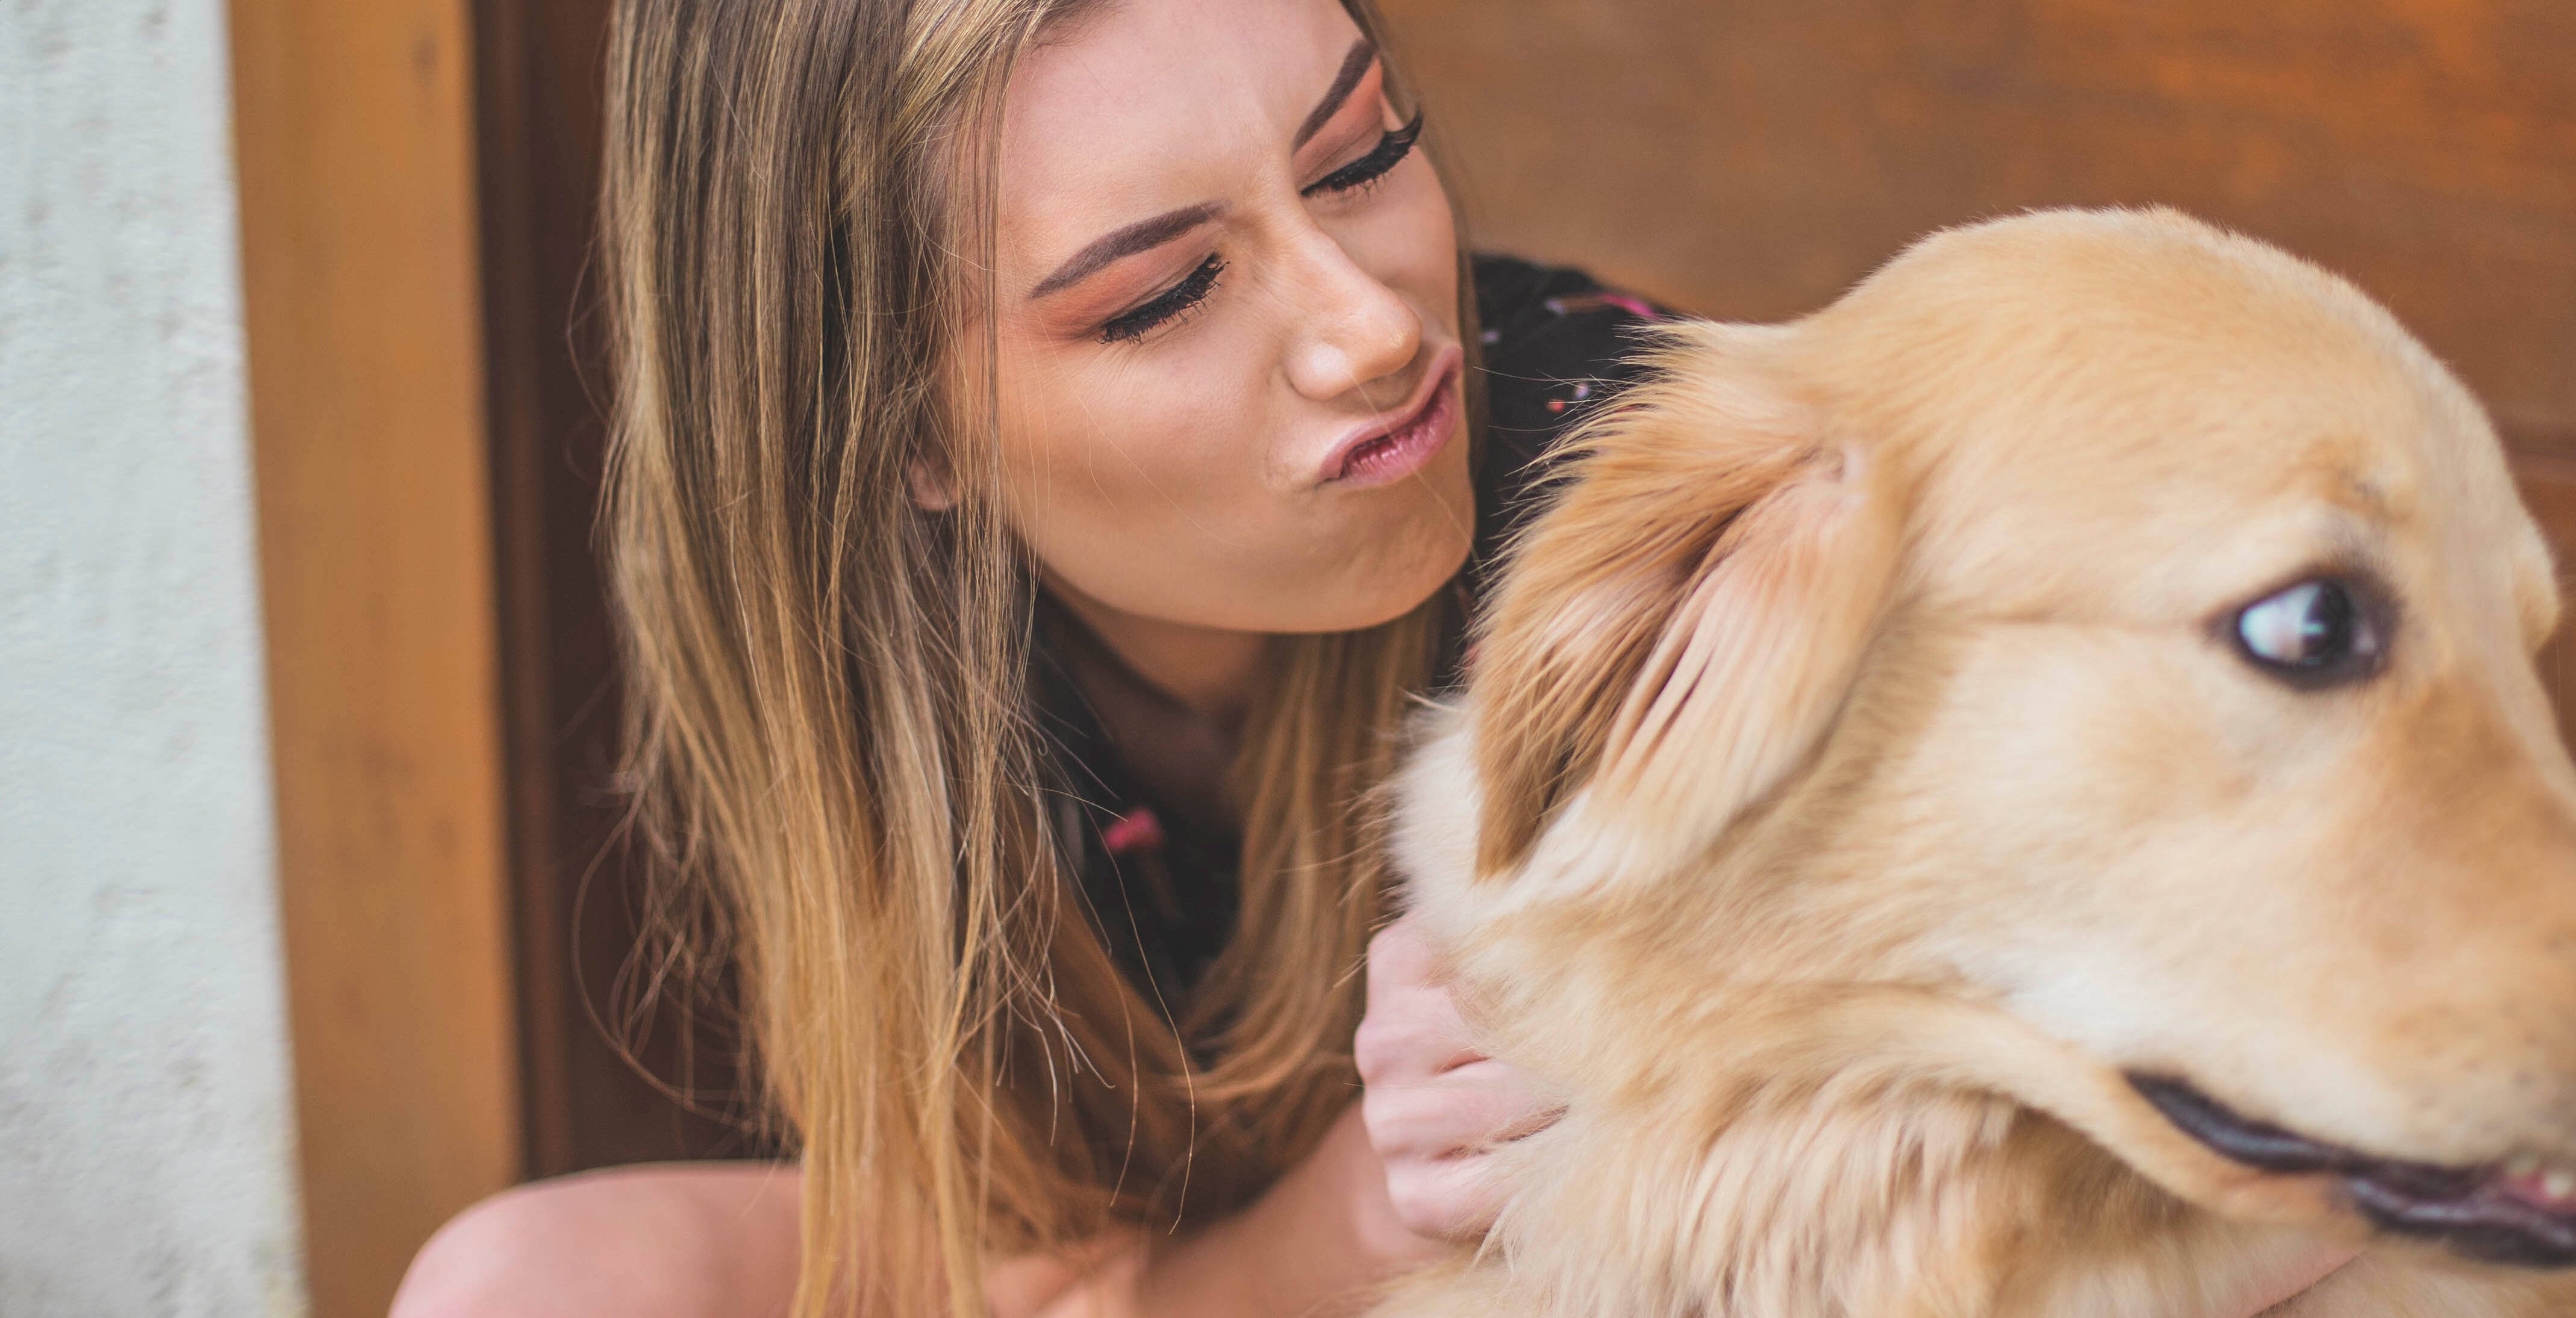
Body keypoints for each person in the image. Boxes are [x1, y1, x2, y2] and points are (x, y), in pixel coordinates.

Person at [392, 1, 2359, 1315]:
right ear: (898, 435)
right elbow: (1069, 1261)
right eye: (1165, 293)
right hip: (1186, 1268)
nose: (1367, 325)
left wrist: (1713, 1099)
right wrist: (1346, 1208)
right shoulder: (874, 673)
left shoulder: (1656, 510)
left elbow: (2325, 1130)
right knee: (525, 1284)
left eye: (1361, 154)